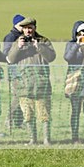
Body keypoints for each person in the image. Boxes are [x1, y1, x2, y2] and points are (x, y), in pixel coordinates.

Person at [6, 17, 57, 145]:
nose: (28, 31)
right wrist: (18, 46)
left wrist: (38, 46)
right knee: (27, 114)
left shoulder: (43, 41)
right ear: (22, 29)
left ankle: (46, 139)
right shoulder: (18, 41)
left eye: (30, 28)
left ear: (35, 28)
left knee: (44, 114)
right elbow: (10, 59)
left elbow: (51, 57)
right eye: (25, 28)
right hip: (23, 84)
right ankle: (32, 139)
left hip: (41, 83)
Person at [3, 14, 26, 130]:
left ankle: (18, 122)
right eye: (22, 24)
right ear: (16, 24)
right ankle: (9, 120)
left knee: (22, 97)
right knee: (17, 98)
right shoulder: (10, 37)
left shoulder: (23, 36)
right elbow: (6, 54)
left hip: (23, 71)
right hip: (15, 72)